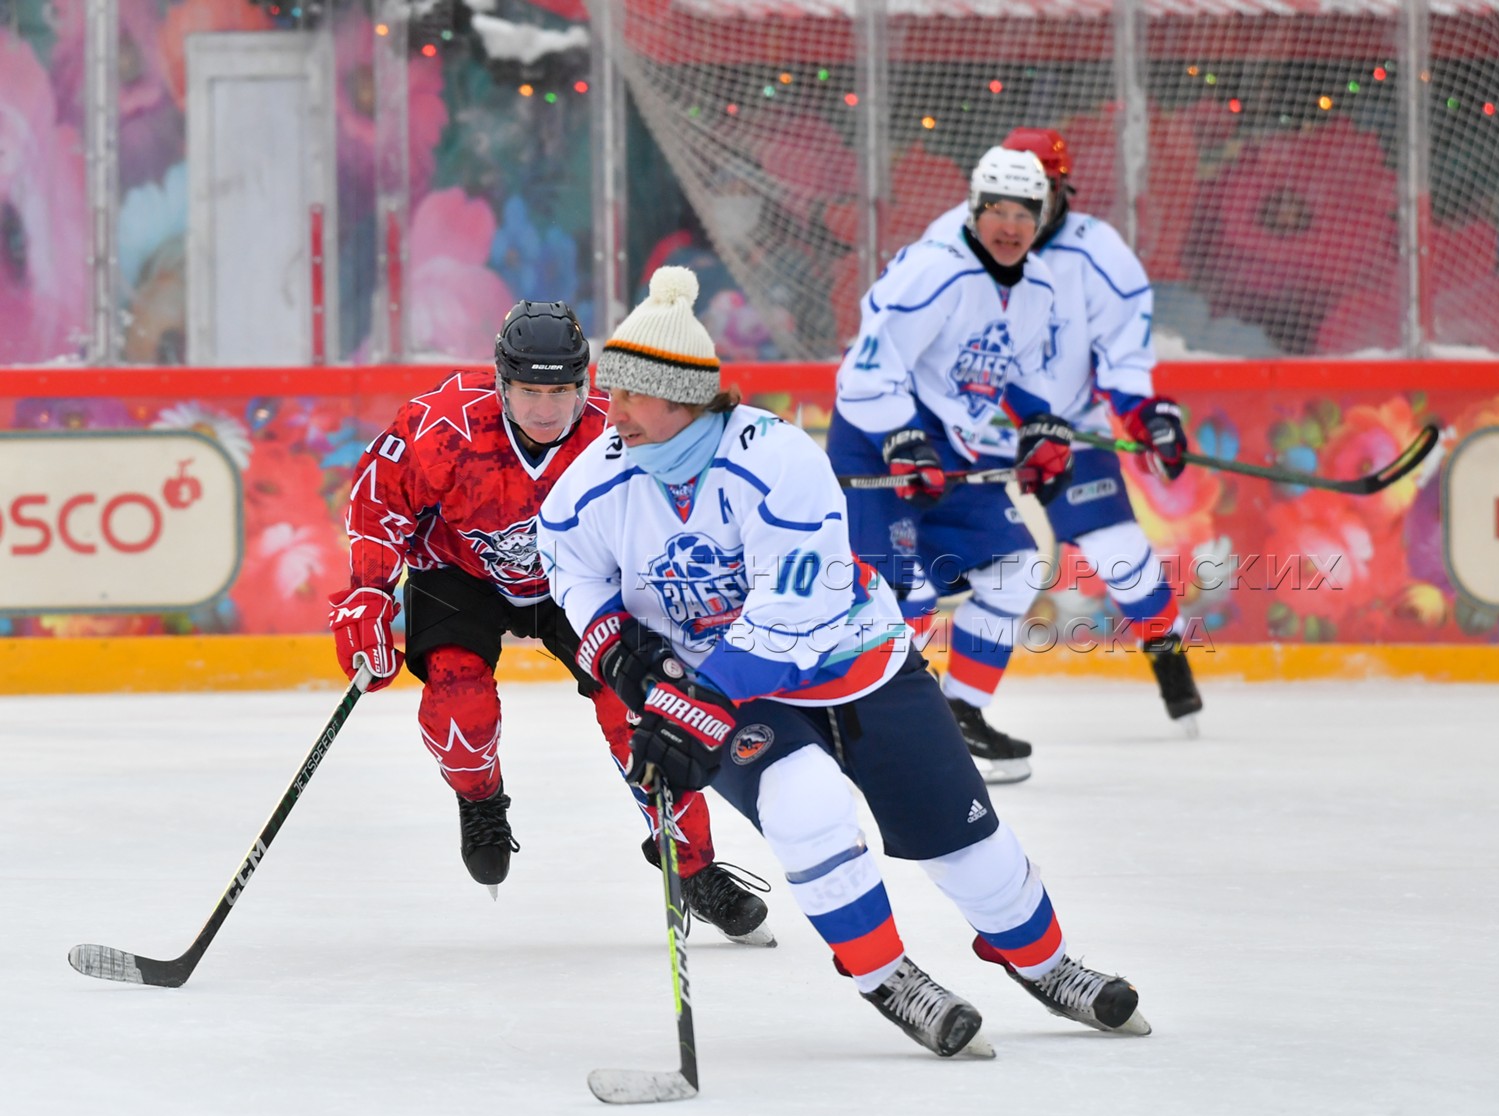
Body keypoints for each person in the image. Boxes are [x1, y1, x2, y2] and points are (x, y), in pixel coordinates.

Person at [538, 265, 1148, 1058]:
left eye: (627, 395)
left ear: (682, 398)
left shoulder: (777, 458)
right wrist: (621, 655)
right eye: (607, 392)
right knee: (807, 808)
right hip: (734, 692)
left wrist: (691, 705)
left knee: (966, 847)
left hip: (852, 659)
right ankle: (888, 976)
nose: (608, 413)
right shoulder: (594, 484)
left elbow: (791, 612)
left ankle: (1042, 962)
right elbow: (570, 571)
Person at [327, 300, 773, 945]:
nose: (545, 409)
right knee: (459, 705)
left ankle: (691, 862)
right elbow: (378, 508)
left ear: (586, 385)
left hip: (582, 580)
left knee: (641, 711)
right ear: (502, 383)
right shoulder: (441, 426)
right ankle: (480, 799)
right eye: (530, 391)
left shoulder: (620, 434)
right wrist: (366, 598)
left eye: (560, 391)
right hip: (461, 575)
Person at [923, 127, 1203, 735]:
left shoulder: (1098, 252)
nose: (1017, 215)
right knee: (965, 574)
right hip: (972, 436)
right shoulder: (947, 242)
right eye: (1001, 201)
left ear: (1061, 190)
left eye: (1037, 195)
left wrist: (1145, 413)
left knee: (1119, 555)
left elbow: (1122, 353)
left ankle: (1168, 652)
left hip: (1065, 429)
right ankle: (951, 710)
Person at [826, 145, 1076, 784]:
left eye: (1026, 211)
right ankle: (884, 732)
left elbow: (1014, 372)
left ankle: (960, 714)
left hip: (954, 449)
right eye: (998, 208)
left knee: (1017, 570)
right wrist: (903, 440)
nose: (1011, 225)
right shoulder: (937, 272)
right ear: (974, 208)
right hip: (880, 442)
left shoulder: (1039, 284)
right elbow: (863, 376)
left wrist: (1040, 425)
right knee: (904, 593)